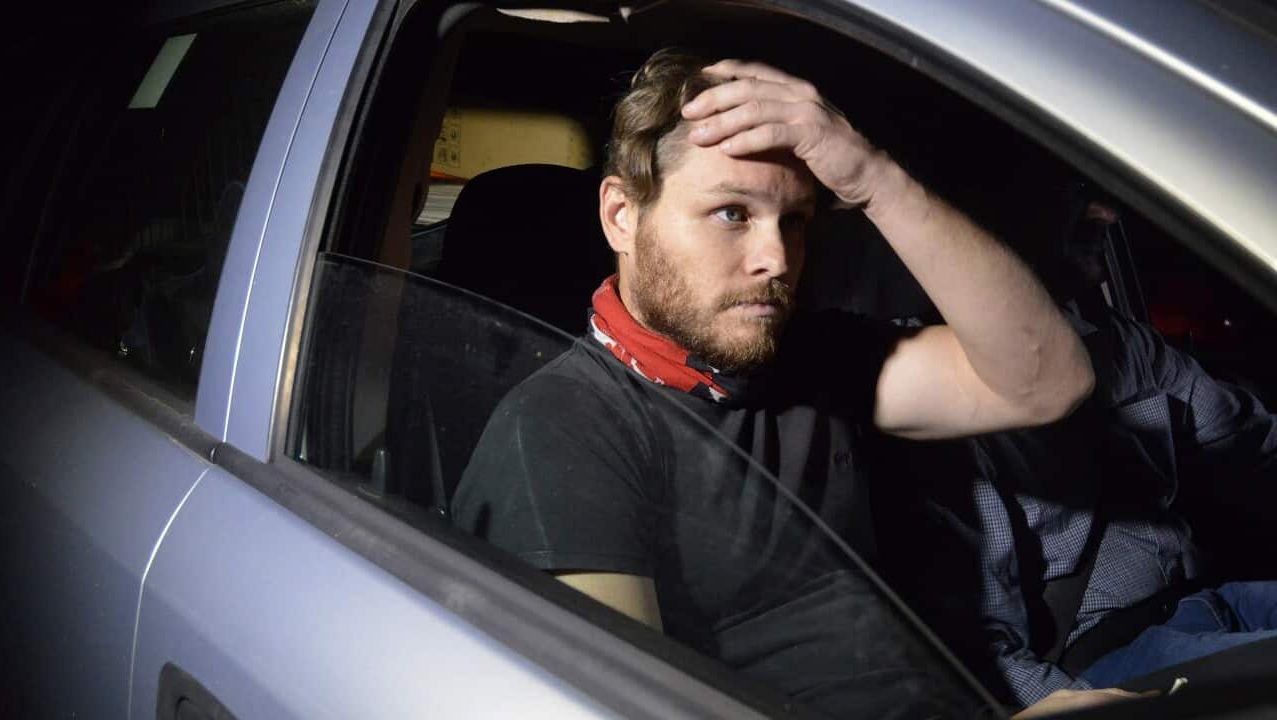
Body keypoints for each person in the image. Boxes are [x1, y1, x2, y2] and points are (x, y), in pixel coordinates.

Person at [451, 49, 1094, 717]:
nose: (777, 258)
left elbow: (1048, 382)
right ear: (622, 216)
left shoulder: (805, 357)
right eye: (732, 213)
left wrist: (875, 179)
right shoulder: (563, 428)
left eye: (794, 221)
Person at [876, 197, 1277, 716]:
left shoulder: (1121, 344)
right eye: (1074, 191)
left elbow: (1250, 443)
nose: (1107, 215)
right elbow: (980, 655)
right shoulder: (939, 400)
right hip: (1107, 664)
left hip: (1203, 600)